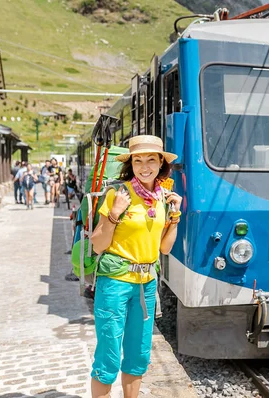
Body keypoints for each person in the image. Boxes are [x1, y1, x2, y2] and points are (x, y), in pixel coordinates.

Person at [89, 135, 181, 398]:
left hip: (146, 285)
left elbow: (164, 249)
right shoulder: (117, 194)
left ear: (161, 162)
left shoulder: (162, 198)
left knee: (138, 353)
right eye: (138, 160)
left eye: (151, 159)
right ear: (131, 164)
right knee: (108, 355)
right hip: (115, 283)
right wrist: (115, 212)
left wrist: (174, 216)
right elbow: (97, 244)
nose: (144, 166)